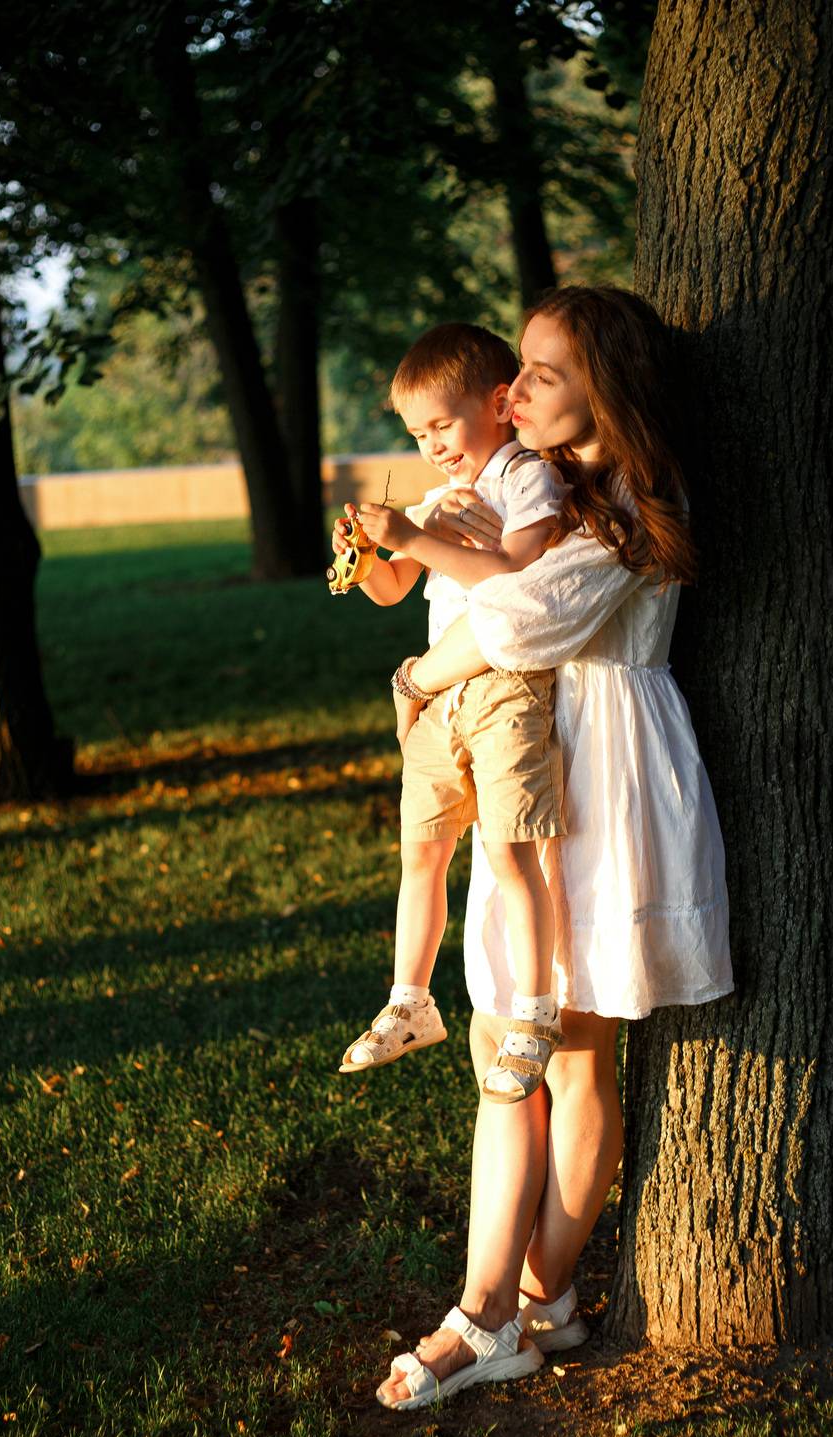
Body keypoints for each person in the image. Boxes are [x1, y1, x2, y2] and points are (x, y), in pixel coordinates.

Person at [370, 285, 734, 1410]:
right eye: (519, 368)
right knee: (513, 1040)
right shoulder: (534, 484)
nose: (514, 390)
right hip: (529, 757)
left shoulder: (631, 499)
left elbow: (522, 620)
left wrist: (419, 674)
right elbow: (464, 590)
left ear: (603, 388)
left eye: (541, 373)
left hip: (606, 772)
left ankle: (509, 1307)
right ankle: (522, 1304)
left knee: (570, 1048)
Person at [335, 321, 574, 1103]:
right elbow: (391, 589)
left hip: (506, 689)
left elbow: (517, 576)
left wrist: (418, 534)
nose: (432, 446)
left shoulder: (528, 479)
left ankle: (535, 1012)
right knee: (422, 853)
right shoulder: (439, 498)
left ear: (500, 404)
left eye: (442, 425)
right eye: (417, 434)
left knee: (510, 855)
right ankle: (411, 1002)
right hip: (441, 700)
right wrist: (366, 553)